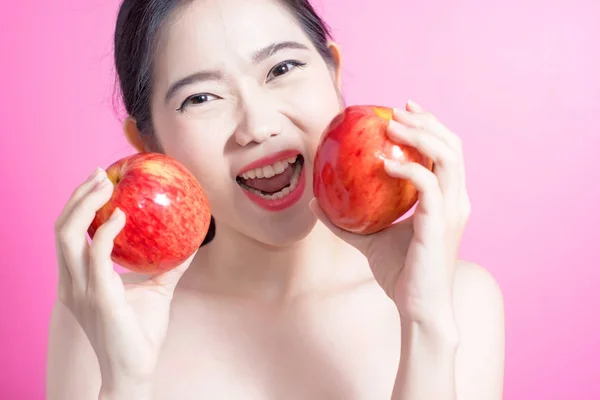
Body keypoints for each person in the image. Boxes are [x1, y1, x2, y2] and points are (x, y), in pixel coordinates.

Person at [46, 0, 505, 399]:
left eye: (281, 69)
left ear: (334, 74)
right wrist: (124, 384)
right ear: (148, 143)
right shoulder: (105, 317)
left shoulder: (456, 298)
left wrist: (424, 322)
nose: (258, 126)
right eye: (202, 97)